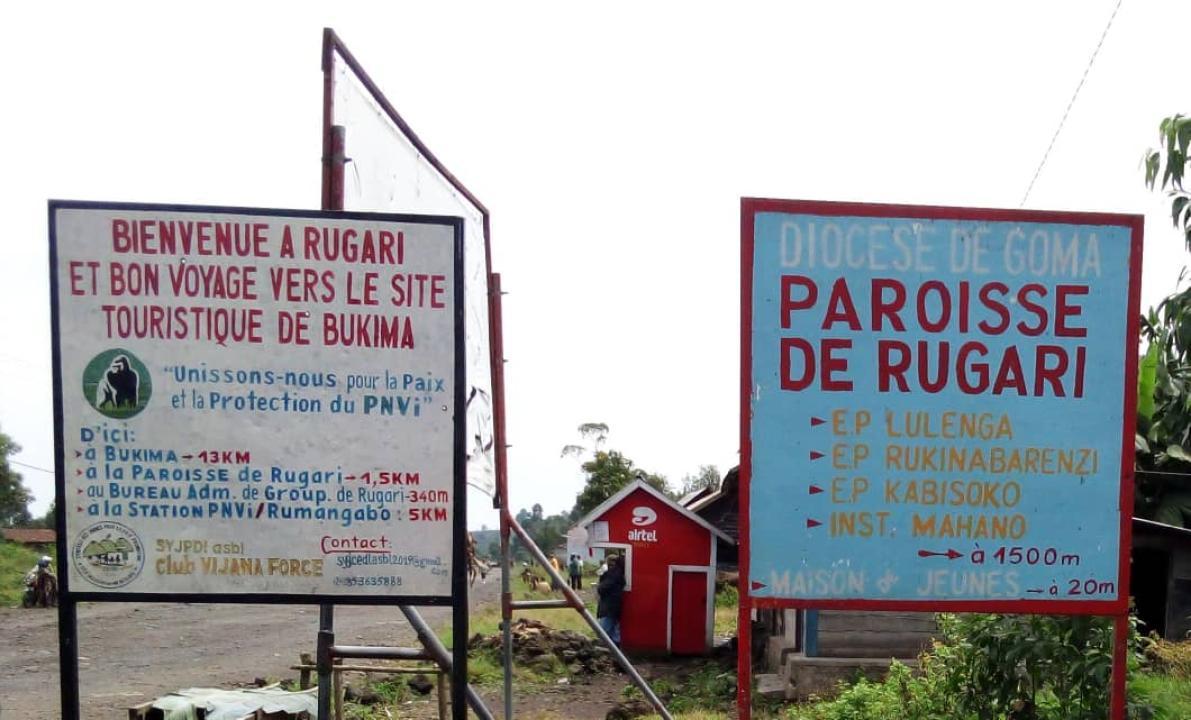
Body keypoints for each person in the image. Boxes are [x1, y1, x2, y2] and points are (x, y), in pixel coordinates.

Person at [596, 554, 625, 644]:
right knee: (615, 634)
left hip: (609, 607)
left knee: (603, 633)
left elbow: (602, 588)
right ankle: (616, 650)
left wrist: (602, 578)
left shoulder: (612, 574)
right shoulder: (620, 573)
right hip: (615, 607)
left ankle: (607, 650)